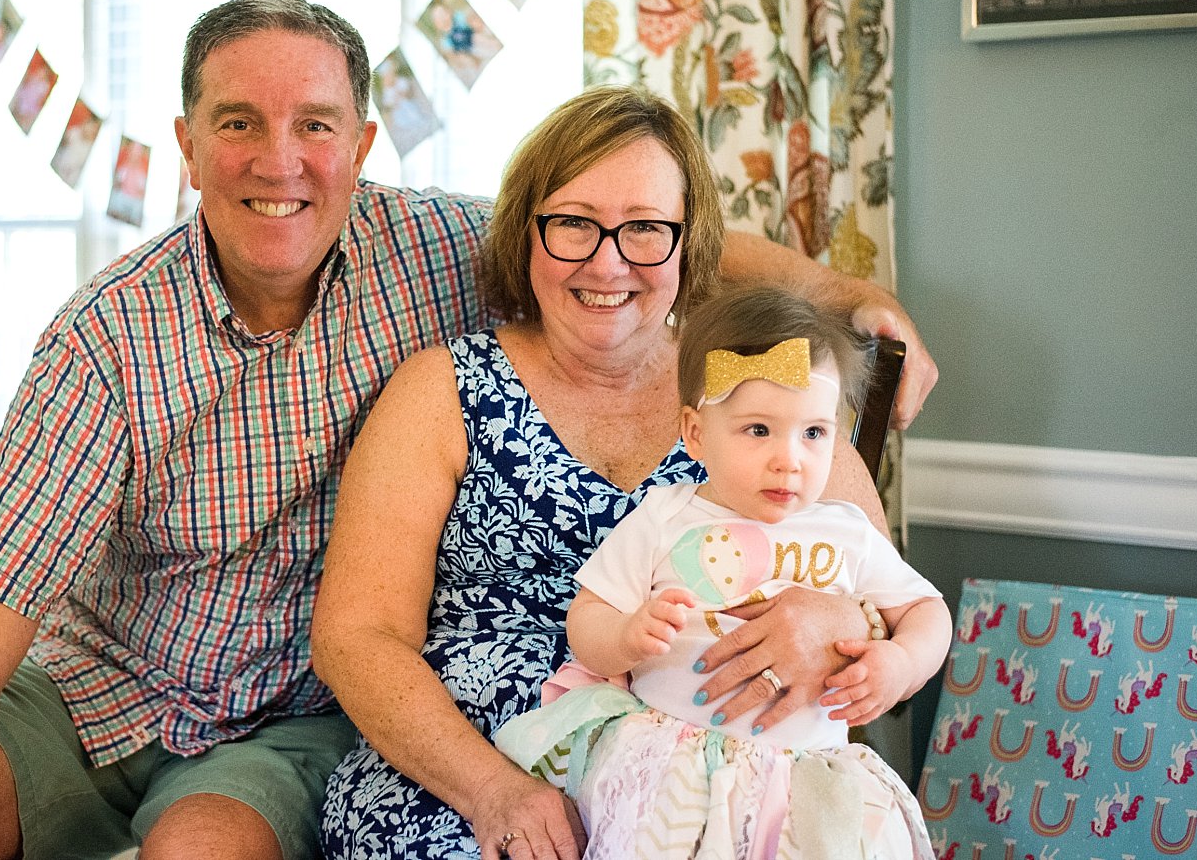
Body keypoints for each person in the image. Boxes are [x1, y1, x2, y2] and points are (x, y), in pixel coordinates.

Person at [0, 0, 936, 860]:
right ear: (185, 144)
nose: (281, 162)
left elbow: (646, 225)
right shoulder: (108, 338)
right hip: (106, 686)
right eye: (238, 123)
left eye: (316, 124)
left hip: (285, 723)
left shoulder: (432, 246)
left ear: (364, 146)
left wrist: (843, 300)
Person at [313, 89, 932, 860]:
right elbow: (356, 638)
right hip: (475, 768)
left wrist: (848, 626)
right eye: (573, 223)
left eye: (644, 228)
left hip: (719, 785)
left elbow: (885, 591)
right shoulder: (444, 390)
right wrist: (492, 791)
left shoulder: (758, 389)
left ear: (687, 242)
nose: (607, 261)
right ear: (527, 232)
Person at [492, 285, 952, 859]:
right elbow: (587, 618)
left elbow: (926, 611)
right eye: (758, 430)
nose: (790, 457)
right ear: (695, 433)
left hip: (803, 781)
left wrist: (903, 660)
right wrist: (625, 637)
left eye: (814, 432)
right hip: (674, 769)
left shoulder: (847, 531)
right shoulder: (666, 517)